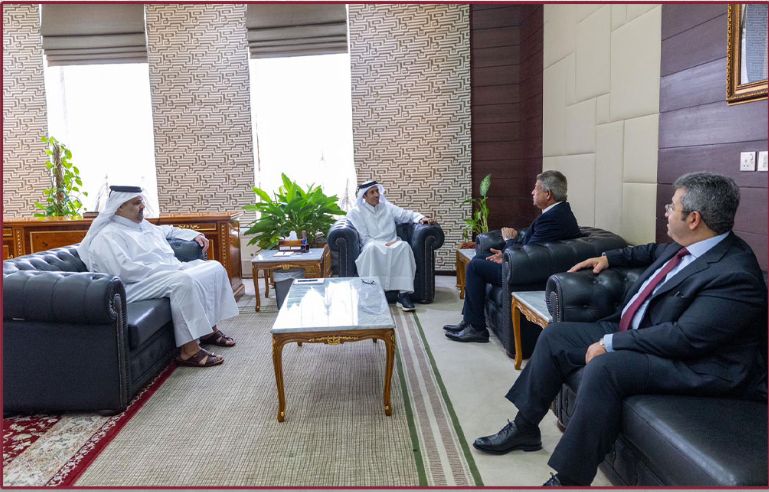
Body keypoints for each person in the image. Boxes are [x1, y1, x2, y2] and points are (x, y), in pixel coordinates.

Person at [472, 172, 767, 486]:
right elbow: (649, 252)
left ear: (694, 219)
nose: (666, 212)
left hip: (698, 364)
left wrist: (612, 343)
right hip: (641, 332)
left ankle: (570, 480)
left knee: (605, 368)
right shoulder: (689, 245)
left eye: (672, 206)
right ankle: (525, 427)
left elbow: (684, 338)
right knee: (555, 336)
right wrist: (606, 258)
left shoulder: (734, 274)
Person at [78, 186, 239, 368]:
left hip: (161, 273)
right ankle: (189, 351)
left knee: (214, 267)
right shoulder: (108, 235)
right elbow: (124, 271)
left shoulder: (142, 225)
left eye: (141, 202)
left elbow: (168, 231)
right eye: (136, 203)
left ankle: (208, 330)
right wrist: (166, 270)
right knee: (181, 281)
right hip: (131, 286)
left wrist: (195, 234)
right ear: (119, 206)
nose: (142, 206)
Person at [445, 170, 581, 343]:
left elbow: (530, 255)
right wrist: (505, 255)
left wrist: (509, 242)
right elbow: (533, 249)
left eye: (536, 188)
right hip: (525, 265)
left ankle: (476, 329)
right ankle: (469, 321)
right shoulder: (556, 213)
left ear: (548, 194)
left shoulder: (553, 218)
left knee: (476, 266)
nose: (532, 192)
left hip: (527, 273)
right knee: (480, 258)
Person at [346, 180, 436, 311]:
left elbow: (406, 214)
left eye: (377, 191)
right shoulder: (356, 212)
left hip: (393, 242)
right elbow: (364, 237)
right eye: (372, 192)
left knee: (404, 246)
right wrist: (381, 244)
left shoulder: (387, 207)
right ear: (364, 196)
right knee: (372, 249)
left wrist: (421, 218)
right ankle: (373, 295)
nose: (377, 195)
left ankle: (403, 295)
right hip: (372, 244)